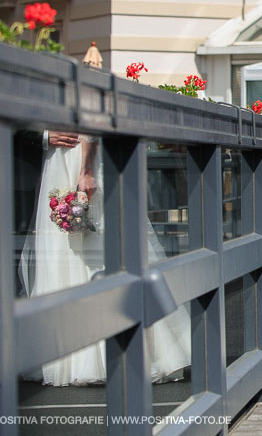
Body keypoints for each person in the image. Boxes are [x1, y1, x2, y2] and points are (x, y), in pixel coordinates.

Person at [19, 131, 191, 386]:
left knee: (96, 245)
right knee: (65, 251)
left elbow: (91, 118)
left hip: (80, 157)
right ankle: (76, 356)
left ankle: (105, 352)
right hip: (58, 159)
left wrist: (86, 168)